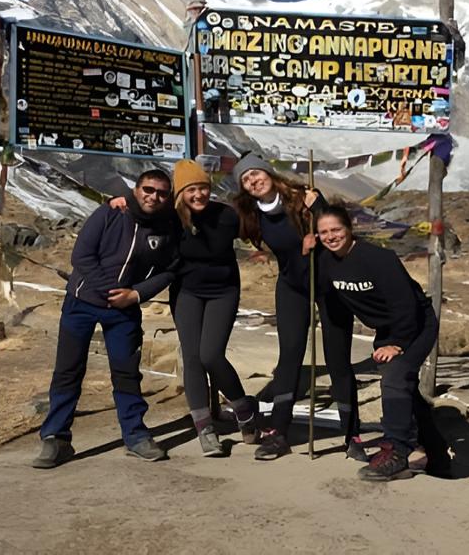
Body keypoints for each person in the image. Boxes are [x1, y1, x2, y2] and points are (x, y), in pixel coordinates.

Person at [32, 169, 180, 468]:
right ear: (137, 190)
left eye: (161, 193)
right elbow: (82, 256)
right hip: (82, 303)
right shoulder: (109, 213)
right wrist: (110, 291)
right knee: (68, 370)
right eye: (148, 190)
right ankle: (55, 438)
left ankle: (136, 436)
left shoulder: (169, 226)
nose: (154, 197)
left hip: (124, 311)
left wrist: (135, 295)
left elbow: (170, 269)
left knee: (126, 373)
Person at [231, 152, 362, 461]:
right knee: (289, 358)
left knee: (337, 359)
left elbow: (337, 228)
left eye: (256, 174)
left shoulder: (304, 198)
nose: (253, 181)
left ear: (269, 174)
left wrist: (315, 225)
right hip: (292, 287)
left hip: (329, 285)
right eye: (246, 179)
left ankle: (351, 434)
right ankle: (278, 432)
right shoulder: (251, 214)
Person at [313, 204, 448, 481]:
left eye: (336, 229)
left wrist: (397, 343)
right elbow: (315, 291)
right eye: (323, 232)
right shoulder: (325, 262)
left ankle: (397, 451)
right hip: (388, 328)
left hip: (416, 324)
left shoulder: (379, 259)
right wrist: (305, 253)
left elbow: (406, 305)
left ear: (349, 229)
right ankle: (436, 453)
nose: (330, 236)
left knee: (395, 377)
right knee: (405, 390)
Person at [160, 159, 262, 455]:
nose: (199, 195)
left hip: (223, 291)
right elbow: (140, 215)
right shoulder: (171, 220)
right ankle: (205, 428)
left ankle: (243, 408)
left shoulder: (226, 216)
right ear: (180, 193)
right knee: (192, 357)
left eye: (203, 188)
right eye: (191, 189)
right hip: (187, 293)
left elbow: (257, 227)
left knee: (211, 354)